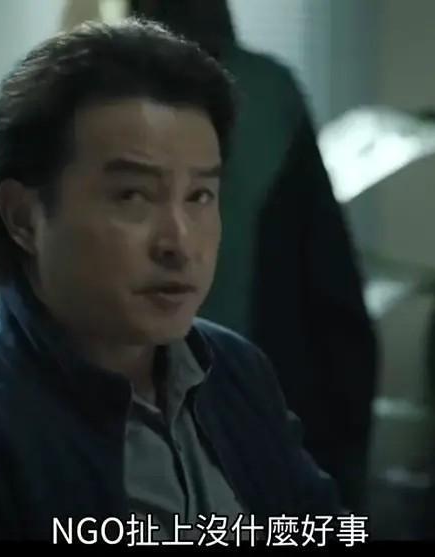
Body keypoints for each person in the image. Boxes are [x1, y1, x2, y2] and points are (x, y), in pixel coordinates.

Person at [0, 19, 341, 541]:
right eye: (133, 196)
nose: (179, 242)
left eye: (200, 196)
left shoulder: (234, 372)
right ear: (24, 218)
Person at [128, 0, 379, 512]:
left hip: (230, 421)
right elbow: (337, 306)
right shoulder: (266, 95)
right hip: (250, 424)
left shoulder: (101, 98)